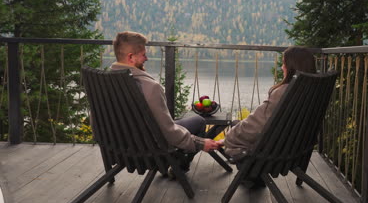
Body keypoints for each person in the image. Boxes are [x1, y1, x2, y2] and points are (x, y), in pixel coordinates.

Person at [110, 31, 220, 172]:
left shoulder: (103, 82)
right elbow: (167, 131)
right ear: (131, 57)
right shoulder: (149, 87)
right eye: (143, 54)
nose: (147, 58)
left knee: (178, 123)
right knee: (198, 121)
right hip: (148, 151)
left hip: (117, 148)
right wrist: (199, 143)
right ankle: (178, 168)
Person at [217, 46, 316, 186]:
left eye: (284, 63)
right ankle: (253, 176)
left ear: (293, 66)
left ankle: (253, 175)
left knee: (236, 130)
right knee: (238, 124)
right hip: (293, 148)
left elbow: (257, 125)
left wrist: (228, 138)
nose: (282, 68)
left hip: (272, 155)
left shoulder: (284, 92)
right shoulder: (312, 92)